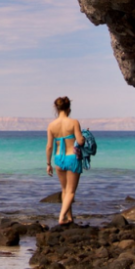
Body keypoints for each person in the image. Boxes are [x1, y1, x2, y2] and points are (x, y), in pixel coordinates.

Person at [46, 96, 85, 225]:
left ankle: (70, 218)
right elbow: (80, 141)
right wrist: (85, 137)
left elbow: (49, 146)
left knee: (64, 190)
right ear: (69, 108)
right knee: (71, 191)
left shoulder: (51, 125)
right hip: (72, 158)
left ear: (56, 108)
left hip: (58, 159)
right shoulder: (73, 122)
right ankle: (62, 216)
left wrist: (48, 164)